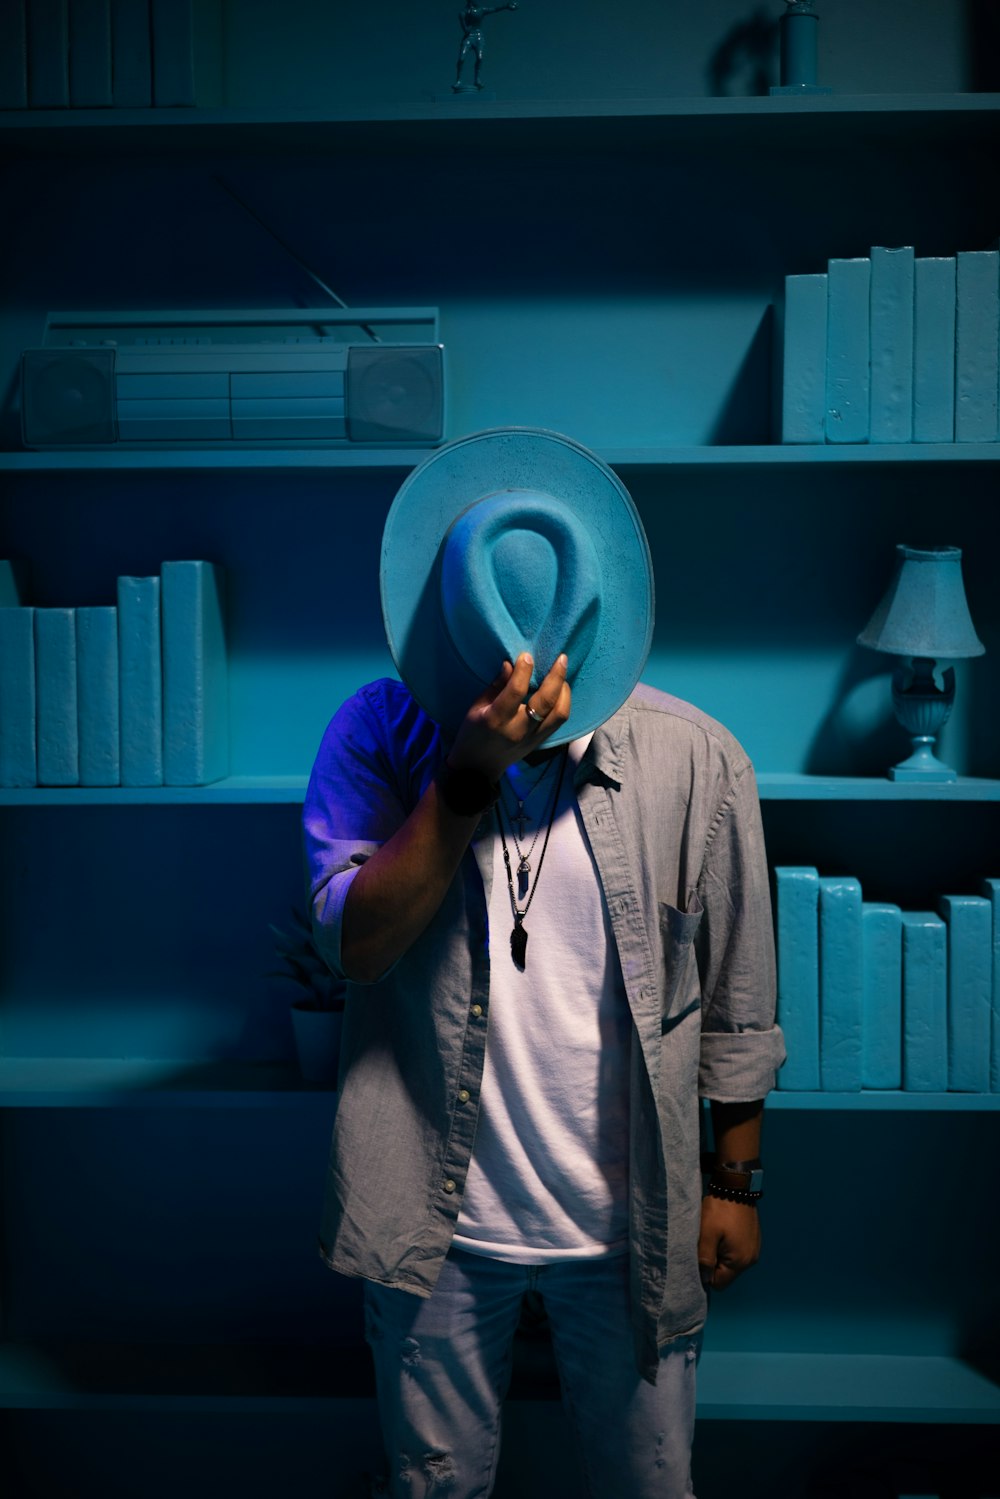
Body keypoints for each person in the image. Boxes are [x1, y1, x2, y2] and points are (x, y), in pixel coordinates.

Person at [304, 428, 785, 1499]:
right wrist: (464, 779)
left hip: (634, 1225)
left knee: (649, 1484)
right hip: (433, 1225)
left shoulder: (696, 758)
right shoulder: (376, 737)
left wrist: (735, 1178)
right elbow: (359, 945)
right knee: (433, 1489)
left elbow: (739, 992)